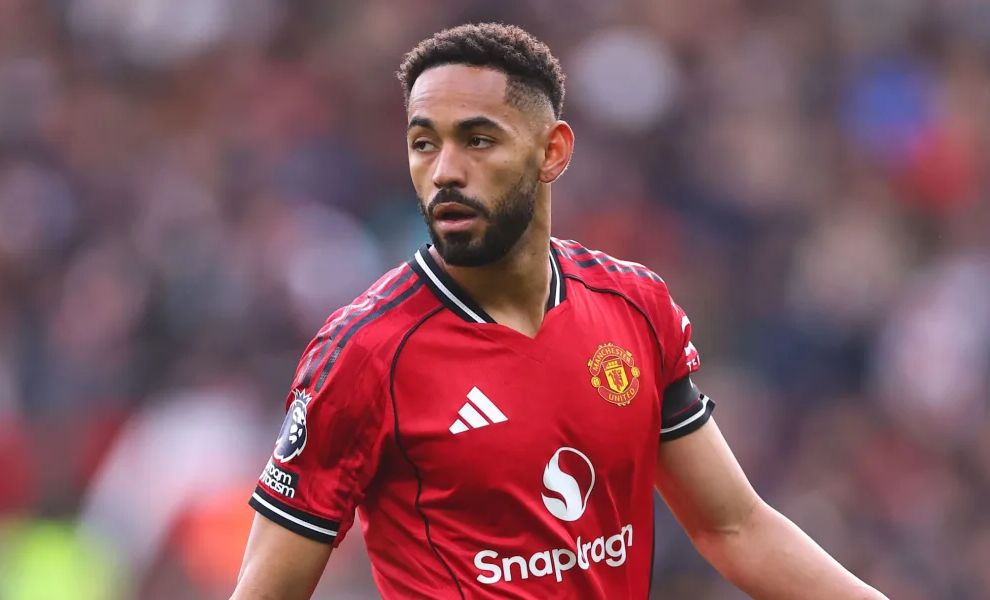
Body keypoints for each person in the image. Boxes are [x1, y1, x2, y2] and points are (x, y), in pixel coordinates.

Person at [232, 23, 888, 600]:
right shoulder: (365, 352)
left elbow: (733, 527)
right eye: (424, 143)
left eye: (478, 140)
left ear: (553, 152)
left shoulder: (634, 307)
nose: (445, 171)